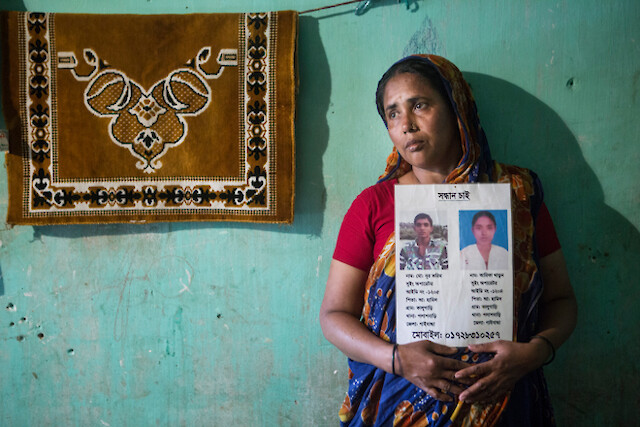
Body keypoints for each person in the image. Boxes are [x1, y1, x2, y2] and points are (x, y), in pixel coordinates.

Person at [319, 55, 577, 426]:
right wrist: (397, 359)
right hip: (403, 405)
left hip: (504, 404)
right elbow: (333, 316)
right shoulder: (374, 205)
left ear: (457, 108)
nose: (406, 125)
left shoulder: (516, 195)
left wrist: (534, 353)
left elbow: (561, 300)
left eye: (419, 105)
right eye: (392, 114)